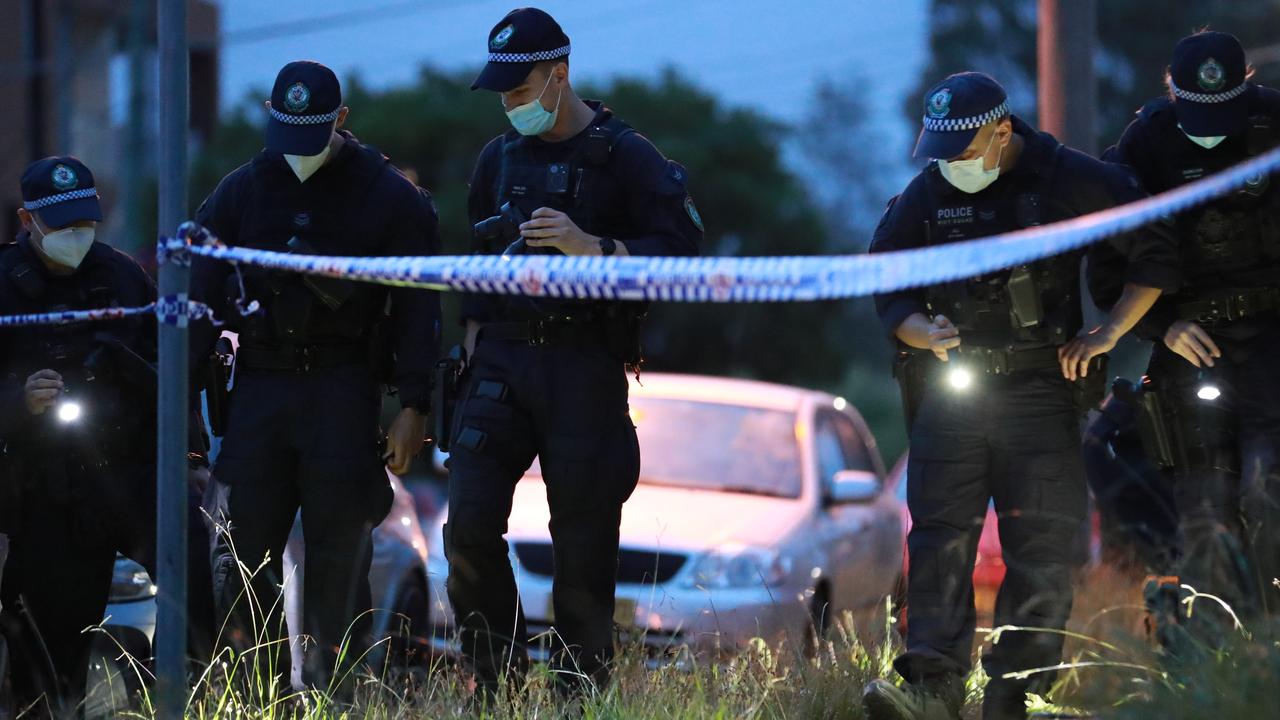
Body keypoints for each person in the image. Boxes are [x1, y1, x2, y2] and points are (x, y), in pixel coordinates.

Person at [859, 73, 1180, 720]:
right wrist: (917, 329)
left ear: (1002, 132)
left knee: (1042, 544)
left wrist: (1110, 330)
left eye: (963, 149)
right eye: (938, 152)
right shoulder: (925, 195)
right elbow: (883, 276)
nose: (951, 165)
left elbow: (1156, 245)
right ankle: (929, 687)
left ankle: (1021, 691)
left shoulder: (1067, 179)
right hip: (951, 393)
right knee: (939, 539)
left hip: (1043, 389)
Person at [445, 6, 702, 697]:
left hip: (584, 364)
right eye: (502, 93)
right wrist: (470, 345)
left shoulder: (625, 156)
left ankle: (577, 698)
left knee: (583, 553)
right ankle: (493, 687)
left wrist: (595, 248)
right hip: (500, 359)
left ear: (558, 76)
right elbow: (475, 263)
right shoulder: (495, 159)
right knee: (466, 527)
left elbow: (683, 251)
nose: (511, 105)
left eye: (521, 89)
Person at [190, 61, 441, 689]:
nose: (297, 152)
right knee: (242, 561)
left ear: (341, 120)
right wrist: (181, 405)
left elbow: (418, 306)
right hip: (261, 388)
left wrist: (414, 404)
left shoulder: (388, 195)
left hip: (341, 387)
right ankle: (257, 696)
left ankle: (337, 697)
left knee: (340, 560)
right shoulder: (244, 189)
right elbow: (196, 296)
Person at [0, 156, 214, 714]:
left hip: (128, 469)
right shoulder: (4, 285)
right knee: (48, 660)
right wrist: (19, 401)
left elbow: (169, 373)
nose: (78, 236)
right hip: (47, 486)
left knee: (194, 562)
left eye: (85, 222)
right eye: (62, 225)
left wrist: (190, 456)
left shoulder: (122, 275)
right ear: (27, 220)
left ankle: (191, 691)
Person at [1089, 30, 1280, 634]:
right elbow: (1109, 266)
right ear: (1171, 92)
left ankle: (1270, 637)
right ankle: (1210, 657)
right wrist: (1163, 325)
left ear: (1247, 85)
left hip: (1275, 339)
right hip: (1192, 349)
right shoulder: (1143, 146)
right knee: (1205, 510)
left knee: (1268, 488)